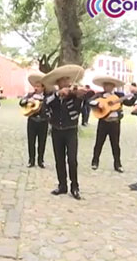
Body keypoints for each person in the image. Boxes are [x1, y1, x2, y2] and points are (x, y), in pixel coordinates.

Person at [43, 65, 87, 200]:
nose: (66, 83)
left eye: (68, 80)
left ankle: (75, 186)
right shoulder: (53, 96)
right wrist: (58, 94)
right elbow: (45, 104)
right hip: (57, 131)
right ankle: (62, 185)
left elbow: (81, 107)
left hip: (71, 131)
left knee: (72, 160)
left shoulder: (75, 96)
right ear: (58, 83)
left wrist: (79, 96)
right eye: (63, 81)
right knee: (59, 159)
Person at [89, 75, 131, 173]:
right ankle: (95, 162)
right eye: (105, 85)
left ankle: (118, 164)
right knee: (99, 143)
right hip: (103, 122)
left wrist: (134, 96)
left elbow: (129, 102)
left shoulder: (119, 95)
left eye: (109, 85)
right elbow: (89, 101)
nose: (107, 87)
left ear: (113, 86)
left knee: (115, 144)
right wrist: (97, 104)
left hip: (115, 123)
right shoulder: (99, 95)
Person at [20, 71, 49, 168]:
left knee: (42, 142)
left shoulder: (47, 97)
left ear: (43, 87)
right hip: (32, 121)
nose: (36, 88)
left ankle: (41, 160)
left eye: (38, 86)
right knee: (31, 141)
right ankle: (31, 160)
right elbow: (21, 102)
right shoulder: (30, 95)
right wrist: (28, 100)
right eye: (35, 86)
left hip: (43, 121)